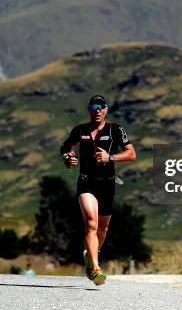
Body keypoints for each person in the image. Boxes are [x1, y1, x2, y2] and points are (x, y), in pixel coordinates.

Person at [60, 94, 136, 285]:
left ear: (106, 110)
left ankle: (91, 254)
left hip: (107, 183)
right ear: (89, 109)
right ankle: (95, 268)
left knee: (103, 228)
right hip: (86, 182)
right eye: (94, 107)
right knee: (91, 223)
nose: (97, 111)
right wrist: (68, 158)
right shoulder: (80, 130)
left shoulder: (115, 130)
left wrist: (110, 157)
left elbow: (131, 154)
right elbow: (66, 146)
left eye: (101, 107)